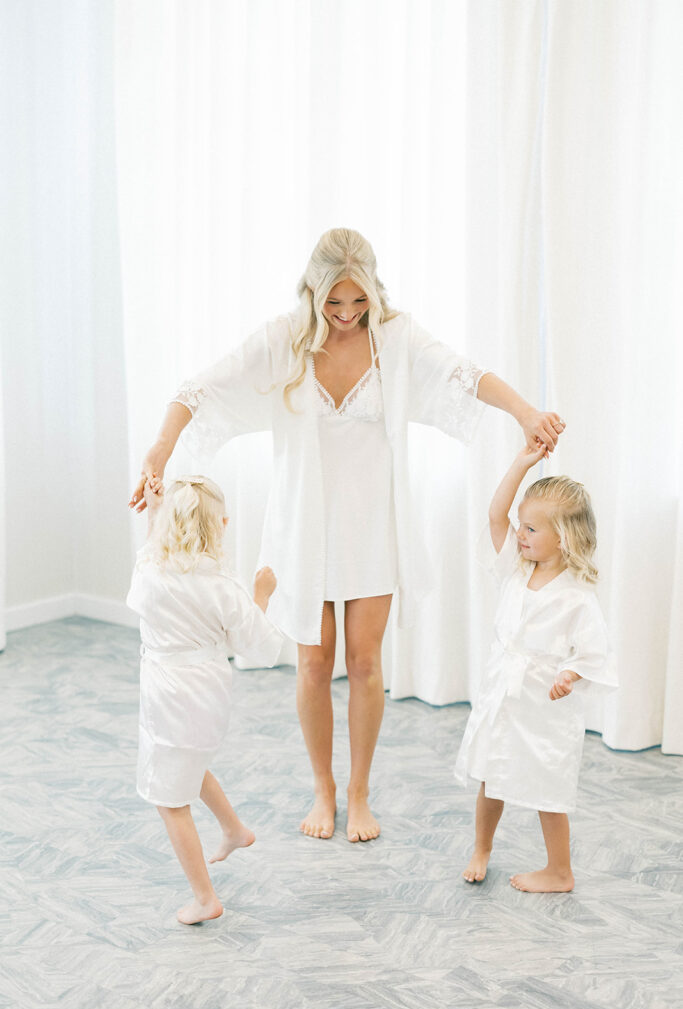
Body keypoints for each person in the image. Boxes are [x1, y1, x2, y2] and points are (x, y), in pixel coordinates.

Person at [129, 227, 566, 844]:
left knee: (364, 663)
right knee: (313, 663)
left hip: (372, 527)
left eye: (358, 301)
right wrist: (159, 449)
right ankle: (323, 788)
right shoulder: (284, 339)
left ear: (374, 291)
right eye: (333, 302)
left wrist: (526, 412)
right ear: (312, 291)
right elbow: (200, 388)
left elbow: (465, 374)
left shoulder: (395, 336)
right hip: (301, 528)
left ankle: (359, 790)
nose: (346, 313)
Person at [455, 445, 617, 892]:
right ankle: (482, 848)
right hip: (503, 694)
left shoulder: (577, 595)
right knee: (490, 775)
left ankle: (560, 871)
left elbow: (593, 652)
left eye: (531, 528)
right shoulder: (515, 567)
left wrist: (570, 675)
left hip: (544, 706)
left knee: (549, 787)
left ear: (563, 537)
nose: (520, 534)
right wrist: (523, 462)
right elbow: (495, 515)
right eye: (521, 526)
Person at [127, 475, 281, 924]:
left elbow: (151, 552)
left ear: (166, 523)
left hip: (169, 692)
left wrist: (155, 512)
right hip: (208, 690)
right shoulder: (223, 584)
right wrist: (261, 596)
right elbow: (257, 646)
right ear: (223, 525)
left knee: (170, 799)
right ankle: (234, 829)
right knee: (191, 761)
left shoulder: (149, 571)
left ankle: (205, 899)